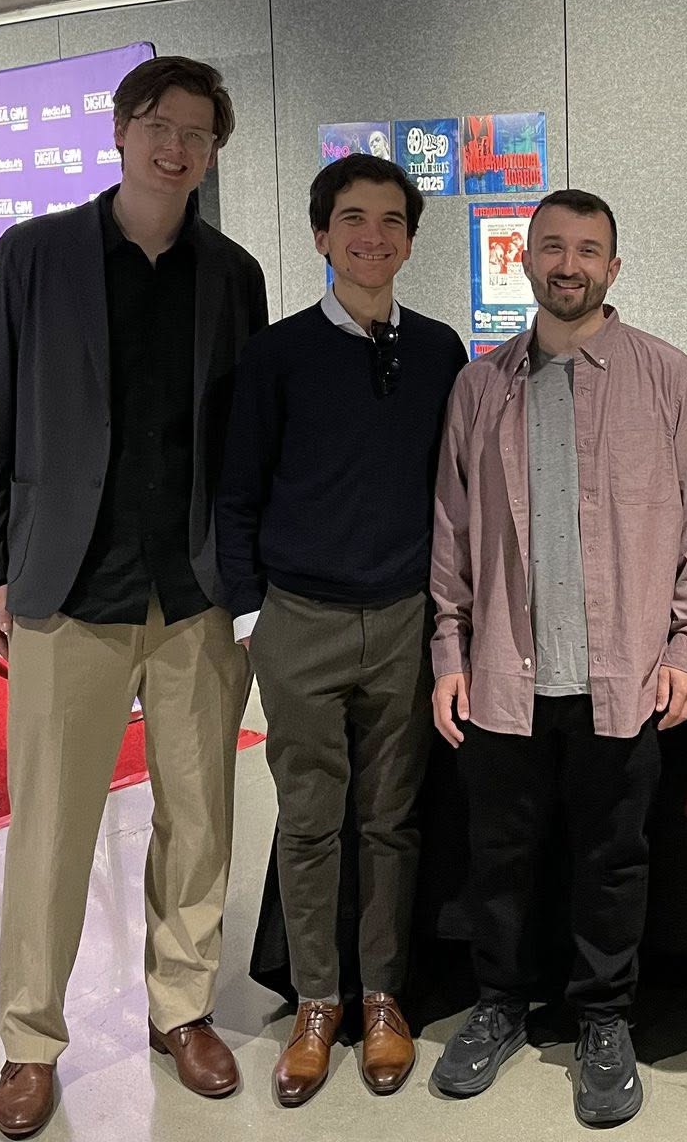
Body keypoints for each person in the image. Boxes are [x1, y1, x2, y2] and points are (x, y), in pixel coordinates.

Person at [0, 55, 270, 1139]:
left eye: (195, 131)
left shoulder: (231, 274)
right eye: (157, 123)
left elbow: (242, 441)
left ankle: (181, 1006)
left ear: (212, 150)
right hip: (67, 582)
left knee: (200, 819)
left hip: (190, 588)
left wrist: (249, 569)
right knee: (51, 826)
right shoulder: (36, 255)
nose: (174, 145)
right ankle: (28, 1039)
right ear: (121, 132)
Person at [426, 189, 687, 1128]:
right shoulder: (481, 387)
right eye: (551, 246)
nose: (568, 263)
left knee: (614, 856)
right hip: (505, 671)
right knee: (500, 855)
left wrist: (685, 642)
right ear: (525, 261)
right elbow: (452, 532)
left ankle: (603, 1017)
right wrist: (449, 648)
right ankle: (502, 1004)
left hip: (624, 674)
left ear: (613, 268)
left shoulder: (668, 379)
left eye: (588, 249)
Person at [215, 153, 468, 1107]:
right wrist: (253, 617)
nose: (373, 236)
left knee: (393, 821)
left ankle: (384, 999)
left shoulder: (441, 349)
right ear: (322, 236)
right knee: (312, 821)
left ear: (409, 237)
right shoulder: (277, 354)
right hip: (300, 624)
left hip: (404, 618)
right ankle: (317, 1001)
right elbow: (237, 494)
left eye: (391, 220)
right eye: (353, 219)